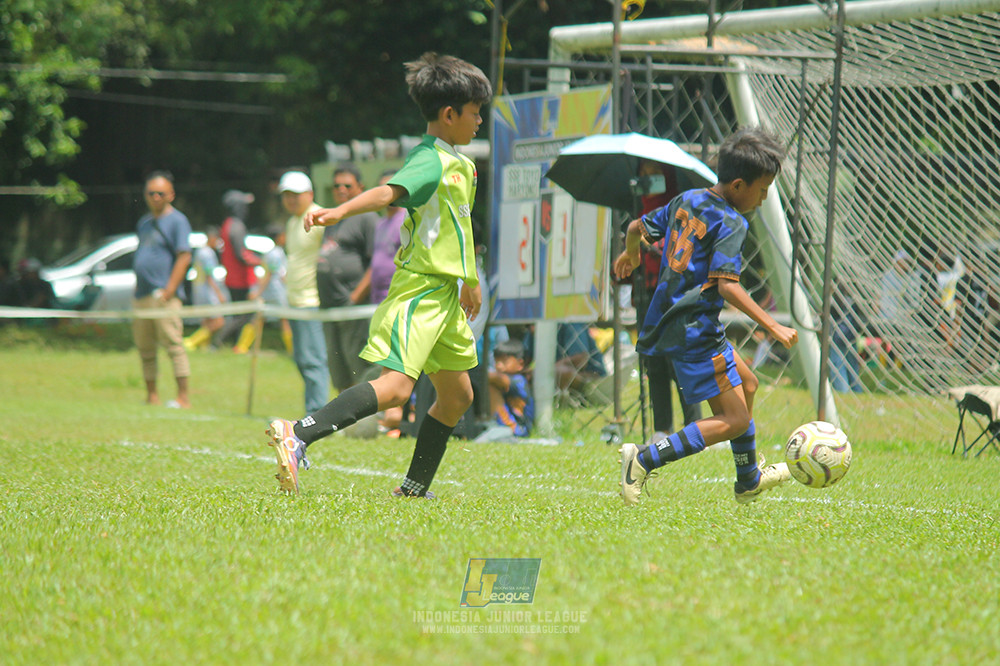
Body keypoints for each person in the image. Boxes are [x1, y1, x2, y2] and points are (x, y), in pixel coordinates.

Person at [265, 52, 492, 498]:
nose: (480, 120)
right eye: (475, 112)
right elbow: (388, 192)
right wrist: (340, 211)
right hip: (421, 291)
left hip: (447, 296)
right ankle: (298, 432)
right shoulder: (430, 160)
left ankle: (413, 489)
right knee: (396, 389)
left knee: (457, 397)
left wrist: (469, 279)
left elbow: (458, 228)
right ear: (449, 115)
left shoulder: (462, 166)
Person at [613, 127, 798, 506]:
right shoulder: (732, 222)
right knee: (735, 420)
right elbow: (727, 287)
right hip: (695, 330)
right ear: (739, 185)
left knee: (748, 386)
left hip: (677, 321)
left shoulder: (688, 198)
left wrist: (631, 254)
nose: (763, 199)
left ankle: (748, 480)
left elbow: (635, 228)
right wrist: (773, 324)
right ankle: (643, 459)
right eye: (762, 190)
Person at [632, 158, 702, 443]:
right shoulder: (639, 215)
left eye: (655, 173)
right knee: (654, 361)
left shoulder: (679, 212)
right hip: (647, 295)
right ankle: (662, 428)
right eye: (644, 173)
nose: (649, 179)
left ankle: (694, 424)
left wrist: (652, 247)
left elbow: (683, 255)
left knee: (678, 361)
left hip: (674, 297)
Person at [131, 170, 192, 408]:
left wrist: (169, 290)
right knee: (145, 348)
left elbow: (184, 256)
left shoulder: (178, 221)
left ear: (171, 195)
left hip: (164, 296)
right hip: (142, 295)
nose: (155, 197)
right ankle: (152, 396)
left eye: (160, 193)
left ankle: (183, 397)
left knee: (174, 346)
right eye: (151, 193)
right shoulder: (144, 223)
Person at [315, 162, 378, 391]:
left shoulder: (367, 218)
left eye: (347, 185)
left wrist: (355, 297)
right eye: (336, 186)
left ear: (360, 187)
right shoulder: (334, 218)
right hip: (330, 308)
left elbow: (377, 263)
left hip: (353, 309)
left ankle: (366, 414)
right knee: (339, 372)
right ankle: (345, 412)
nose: (341, 189)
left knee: (359, 369)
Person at [277, 170, 329, 413]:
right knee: (301, 360)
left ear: (310, 194)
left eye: (296, 194)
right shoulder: (291, 222)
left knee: (313, 360)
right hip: (295, 301)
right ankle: (313, 410)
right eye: (287, 195)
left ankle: (316, 413)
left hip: (311, 301)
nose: (291, 199)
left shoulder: (319, 218)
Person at [217, 189, 261, 352]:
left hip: (232, 278)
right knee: (245, 314)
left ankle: (235, 343)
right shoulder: (237, 226)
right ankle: (219, 340)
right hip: (239, 279)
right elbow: (240, 254)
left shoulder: (228, 224)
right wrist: (258, 261)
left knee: (238, 313)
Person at [249, 222, 293, 354]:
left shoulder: (272, 253)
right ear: (279, 237)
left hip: (271, 290)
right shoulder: (276, 254)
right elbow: (271, 274)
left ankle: (242, 346)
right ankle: (292, 349)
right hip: (276, 290)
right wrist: (258, 292)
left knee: (259, 318)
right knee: (284, 319)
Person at [183, 226, 228, 351]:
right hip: (207, 291)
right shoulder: (208, 253)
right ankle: (192, 341)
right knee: (219, 321)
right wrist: (219, 294)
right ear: (211, 238)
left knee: (206, 321)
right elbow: (209, 276)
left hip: (199, 289)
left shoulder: (200, 251)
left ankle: (204, 346)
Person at [487, 339, 534, 438]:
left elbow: (497, 378)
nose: (499, 365)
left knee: (490, 387)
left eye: (504, 361)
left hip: (518, 429)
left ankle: (502, 425)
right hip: (514, 428)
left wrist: (475, 373)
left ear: (520, 364)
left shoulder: (519, 381)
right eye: (496, 361)